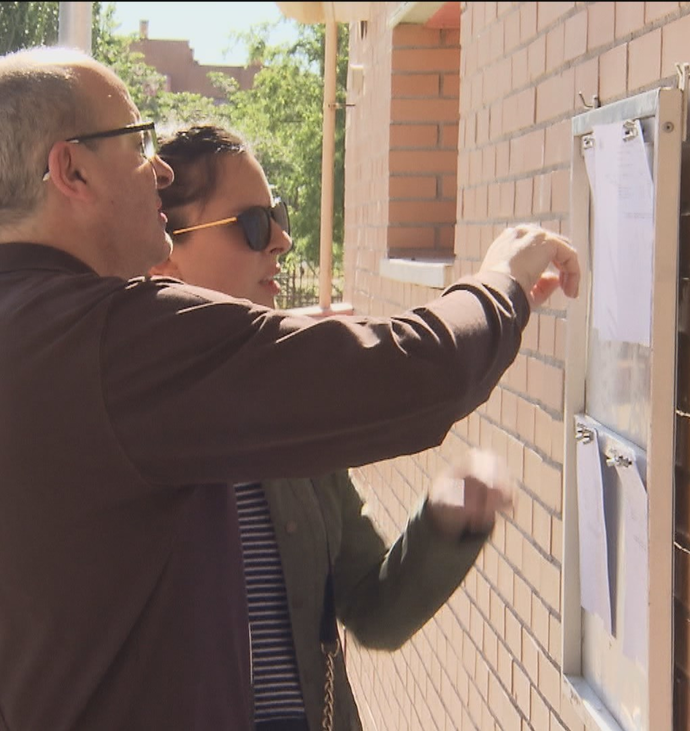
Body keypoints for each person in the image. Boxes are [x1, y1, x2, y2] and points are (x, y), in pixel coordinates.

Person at [0, 46, 578, 731]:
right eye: (137, 143)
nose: (159, 174)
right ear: (71, 170)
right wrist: (499, 282)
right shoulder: (117, 344)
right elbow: (418, 372)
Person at [153, 123, 510, 731]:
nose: (283, 241)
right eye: (254, 224)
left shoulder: (287, 411)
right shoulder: (114, 415)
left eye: (280, 216)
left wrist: (446, 520)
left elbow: (374, 610)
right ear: (166, 244)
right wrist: (502, 286)